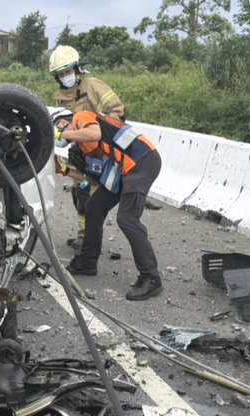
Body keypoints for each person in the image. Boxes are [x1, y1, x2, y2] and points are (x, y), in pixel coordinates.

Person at [56, 111, 164, 301]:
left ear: (64, 123)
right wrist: (63, 169)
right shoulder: (82, 148)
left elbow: (95, 133)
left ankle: (151, 277)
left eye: (59, 129)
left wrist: (59, 134)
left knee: (127, 219)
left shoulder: (82, 117)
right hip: (121, 171)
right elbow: (90, 180)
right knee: (94, 206)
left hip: (142, 161)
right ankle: (88, 261)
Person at [49, 45, 125, 253]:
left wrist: (104, 137)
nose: (65, 77)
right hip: (81, 152)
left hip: (100, 151)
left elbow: (117, 111)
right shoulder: (63, 97)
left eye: (68, 71)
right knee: (79, 192)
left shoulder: (92, 86)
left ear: (77, 69)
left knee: (92, 197)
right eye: (61, 74)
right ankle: (83, 234)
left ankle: (90, 240)